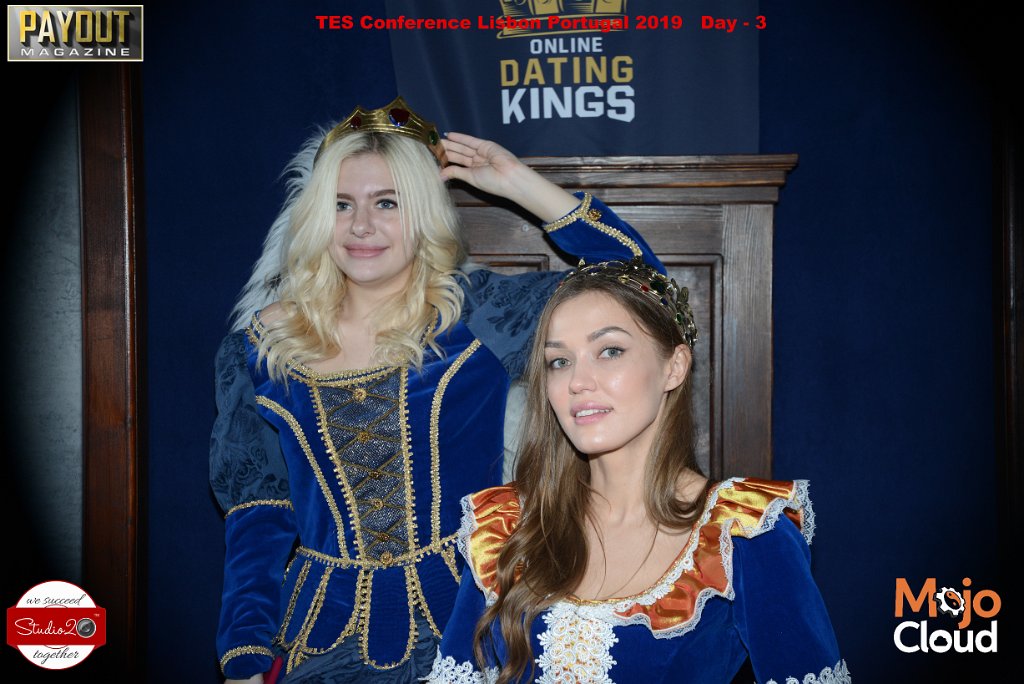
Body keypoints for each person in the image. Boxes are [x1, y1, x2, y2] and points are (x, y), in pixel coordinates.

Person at [209, 97, 666, 683]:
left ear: (424, 211)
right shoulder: (261, 349)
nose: (361, 226)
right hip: (322, 641)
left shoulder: (479, 315)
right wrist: (244, 657)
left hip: (477, 631)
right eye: (342, 204)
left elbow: (642, 288)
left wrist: (518, 183)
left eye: (388, 203)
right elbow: (259, 514)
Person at [427, 259, 850, 684]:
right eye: (559, 361)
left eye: (610, 351)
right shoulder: (504, 525)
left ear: (674, 367)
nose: (578, 382)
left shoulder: (745, 532)